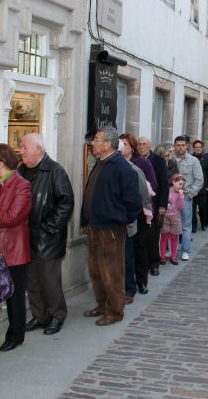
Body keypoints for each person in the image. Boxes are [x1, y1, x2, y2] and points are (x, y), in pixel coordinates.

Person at [81, 127, 142, 326]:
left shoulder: (122, 167)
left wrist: (119, 221)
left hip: (111, 229)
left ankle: (115, 311)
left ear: (108, 144)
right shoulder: (101, 164)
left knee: (112, 271)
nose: (93, 143)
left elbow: (134, 202)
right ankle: (101, 304)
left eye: (97, 140)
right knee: (96, 270)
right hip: (95, 226)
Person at [18, 133, 74, 335]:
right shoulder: (21, 170)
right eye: (21, 147)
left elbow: (66, 202)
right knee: (31, 281)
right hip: (25, 237)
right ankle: (40, 316)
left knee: (49, 281)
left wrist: (49, 228)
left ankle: (57, 316)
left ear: (38, 150)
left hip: (47, 239)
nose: (21, 151)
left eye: (25, 147)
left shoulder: (55, 171)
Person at [0, 143, 32, 352]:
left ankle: (16, 335)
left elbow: (14, 216)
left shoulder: (22, 184)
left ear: (1, 162)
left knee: (15, 296)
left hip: (14, 249)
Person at [119, 133, 157, 295]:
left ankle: (142, 281)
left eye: (125, 144)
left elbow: (152, 186)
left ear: (132, 147)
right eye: (120, 144)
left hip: (140, 211)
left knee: (139, 247)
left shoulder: (142, 162)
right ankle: (126, 281)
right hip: (122, 212)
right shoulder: (117, 163)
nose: (122, 147)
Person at [138, 137, 169, 277]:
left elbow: (164, 185)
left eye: (144, 144)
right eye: (139, 144)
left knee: (152, 236)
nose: (141, 146)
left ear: (150, 146)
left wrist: (162, 205)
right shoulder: (135, 159)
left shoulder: (158, 161)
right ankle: (142, 264)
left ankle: (154, 264)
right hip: (138, 205)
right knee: (140, 237)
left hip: (154, 203)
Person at [172, 135, 203, 261]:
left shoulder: (193, 161)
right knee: (172, 225)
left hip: (185, 197)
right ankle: (174, 250)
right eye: (178, 145)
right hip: (171, 197)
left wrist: (190, 194)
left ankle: (185, 250)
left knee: (186, 225)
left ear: (187, 146)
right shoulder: (170, 159)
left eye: (183, 145)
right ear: (174, 146)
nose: (180, 147)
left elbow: (199, 179)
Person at [160, 174, 186, 265]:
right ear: (173, 182)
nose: (181, 186)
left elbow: (181, 207)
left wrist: (181, 196)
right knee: (164, 237)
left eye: (182, 185)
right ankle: (162, 257)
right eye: (179, 184)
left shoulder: (180, 194)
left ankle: (173, 256)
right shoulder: (166, 191)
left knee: (174, 237)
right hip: (166, 216)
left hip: (176, 217)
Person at [191, 140, 208, 232]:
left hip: (203, 188)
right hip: (192, 187)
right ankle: (193, 226)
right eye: (196, 147)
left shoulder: (206, 158)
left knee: (203, 208)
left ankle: (204, 223)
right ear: (193, 148)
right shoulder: (190, 158)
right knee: (192, 209)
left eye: (199, 147)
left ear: (202, 148)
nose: (198, 149)